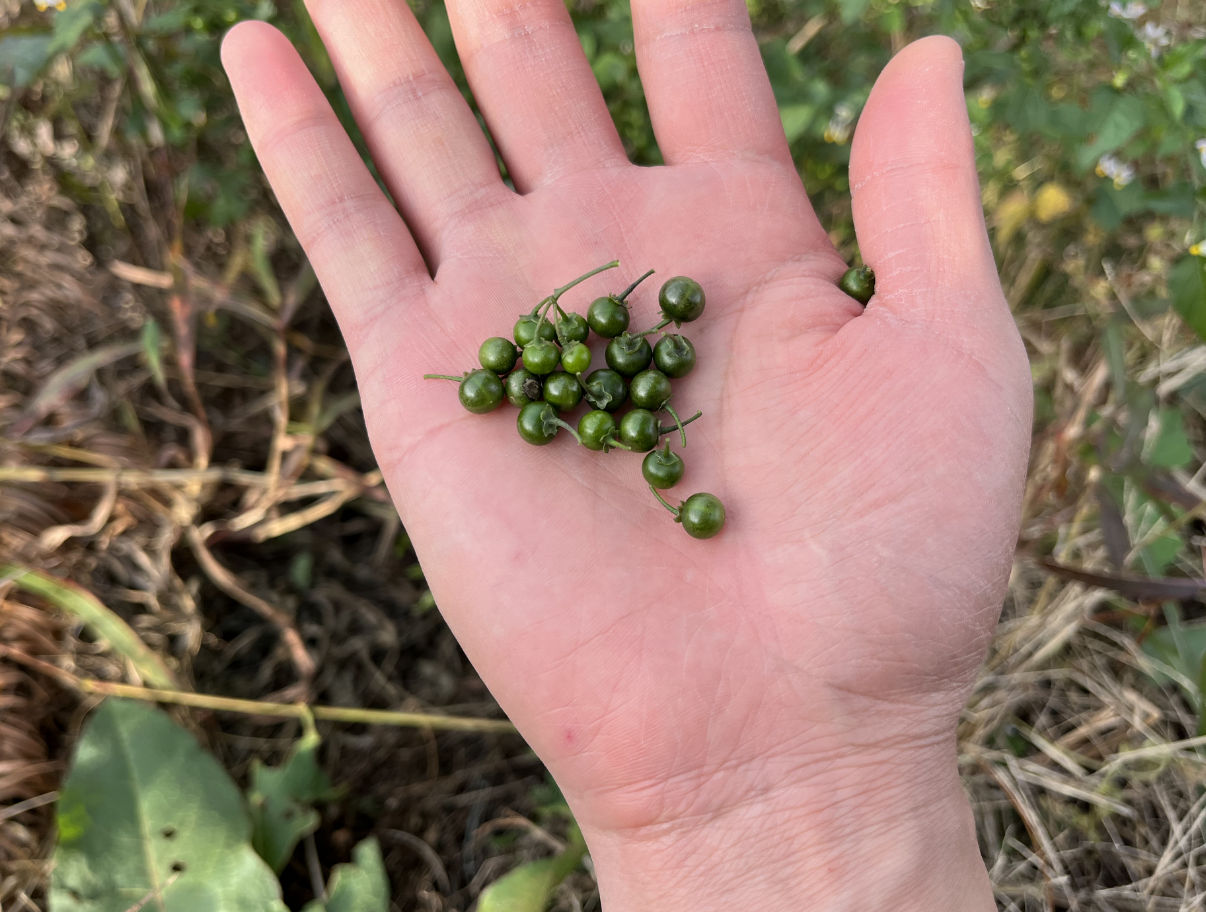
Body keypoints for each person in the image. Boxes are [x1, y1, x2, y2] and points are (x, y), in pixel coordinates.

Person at [221, 2, 1032, 908]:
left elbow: (615, 381)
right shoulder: (591, 382)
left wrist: (826, 779)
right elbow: (596, 384)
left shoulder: (630, 382)